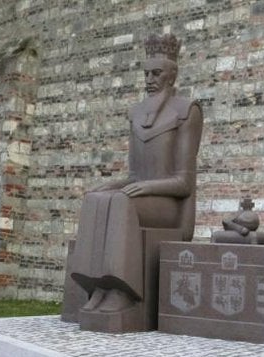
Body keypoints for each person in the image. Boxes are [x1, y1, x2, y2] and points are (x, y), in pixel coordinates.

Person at [69, 33, 203, 317]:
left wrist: (144, 187)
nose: (150, 79)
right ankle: (98, 287)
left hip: (169, 204)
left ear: (171, 76)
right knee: (95, 198)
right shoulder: (135, 113)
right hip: (141, 196)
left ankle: (124, 291)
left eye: (157, 73)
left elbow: (184, 182)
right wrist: (113, 183)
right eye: (146, 74)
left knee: (120, 203)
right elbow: (133, 175)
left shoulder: (187, 111)